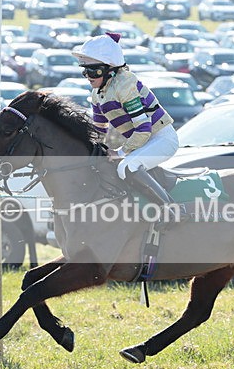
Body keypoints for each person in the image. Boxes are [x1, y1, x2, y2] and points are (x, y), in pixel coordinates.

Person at [72, 33, 180, 226]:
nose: (88, 77)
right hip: (143, 142)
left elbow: (144, 129)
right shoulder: (97, 94)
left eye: (93, 72)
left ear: (110, 70)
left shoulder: (125, 85)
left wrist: (120, 152)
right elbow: (99, 130)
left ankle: (169, 210)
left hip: (161, 139)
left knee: (127, 166)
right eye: (85, 72)